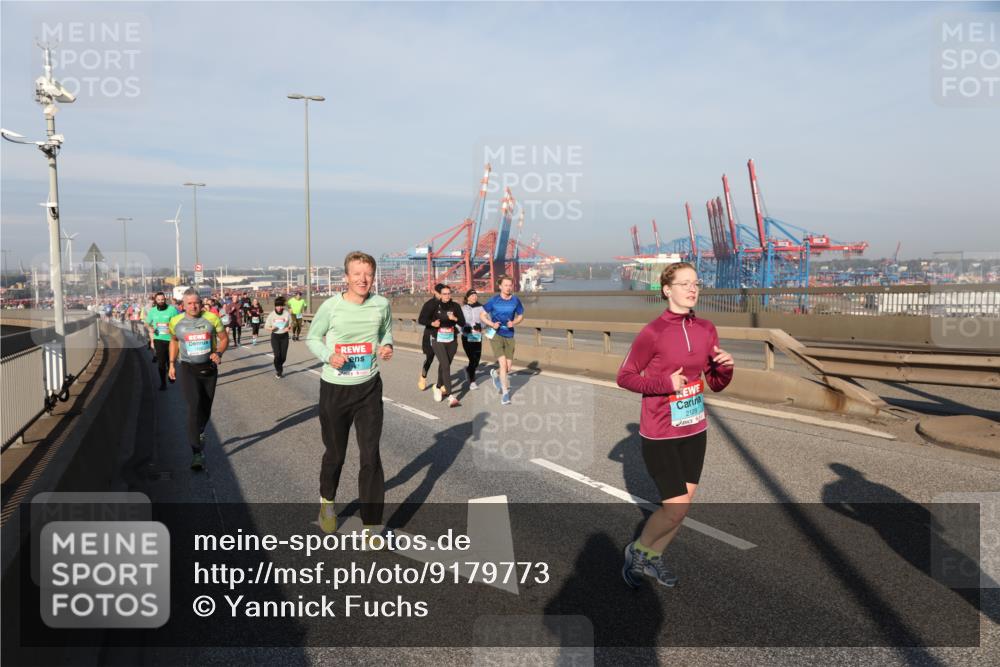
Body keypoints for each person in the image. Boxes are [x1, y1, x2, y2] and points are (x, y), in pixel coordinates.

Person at [617, 262, 734, 588]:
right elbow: (624, 377)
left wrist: (726, 367)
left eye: (695, 283)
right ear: (667, 290)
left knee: (681, 509)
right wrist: (664, 384)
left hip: (694, 428)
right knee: (676, 509)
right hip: (660, 432)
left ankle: (652, 558)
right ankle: (637, 551)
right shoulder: (653, 332)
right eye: (684, 284)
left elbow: (715, 381)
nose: (692, 289)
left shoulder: (707, 328)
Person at [306, 251, 393, 535]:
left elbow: (385, 333)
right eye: (356, 274)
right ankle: (327, 503)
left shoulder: (382, 304)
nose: (362, 279)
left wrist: (386, 346)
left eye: (367, 274)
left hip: (368, 389)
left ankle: (371, 525)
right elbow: (312, 337)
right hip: (335, 390)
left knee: (370, 456)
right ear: (346, 278)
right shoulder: (331, 307)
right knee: (336, 454)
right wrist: (329, 356)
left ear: (374, 277)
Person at [169, 288, 228, 471]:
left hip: (209, 369)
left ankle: (200, 430)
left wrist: (218, 352)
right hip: (188, 368)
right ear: (183, 305)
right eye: (189, 303)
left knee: (205, 408)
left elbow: (224, 338)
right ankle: (196, 453)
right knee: (194, 406)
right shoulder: (176, 322)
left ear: (201, 303)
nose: (193, 306)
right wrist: (171, 363)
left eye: (196, 302)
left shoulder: (212, 318)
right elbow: (174, 341)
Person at [480, 274, 524, 406]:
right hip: (495, 334)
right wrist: (491, 323)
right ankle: (505, 394)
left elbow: (521, 315)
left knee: (508, 367)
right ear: (500, 286)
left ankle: (495, 373)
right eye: (505, 285)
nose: (508, 287)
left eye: (510, 285)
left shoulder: (515, 300)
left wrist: (514, 322)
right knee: (503, 364)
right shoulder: (494, 300)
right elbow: (482, 314)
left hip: (509, 334)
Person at [427, 284, 465, 407]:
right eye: (444, 294)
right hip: (437, 338)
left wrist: (455, 318)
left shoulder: (455, 306)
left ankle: (438, 386)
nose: (447, 296)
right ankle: (450, 395)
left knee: (445, 364)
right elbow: (422, 319)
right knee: (445, 366)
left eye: (449, 293)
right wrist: (432, 323)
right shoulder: (434, 306)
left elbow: (463, 322)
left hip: (451, 339)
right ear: (440, 295)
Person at [145, 292, 179, 390]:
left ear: (165, 299)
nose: (161, 301)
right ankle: (163, 383)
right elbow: (147, 323)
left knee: (170, 361)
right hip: (158, 339)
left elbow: (178, 322)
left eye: (162, 300)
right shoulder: (152, 311)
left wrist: (172, 329)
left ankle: (170, 372)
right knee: (161, 362)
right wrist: (151, 328)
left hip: (171, 339)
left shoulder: (172, 310)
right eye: (159, 300)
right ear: (156, 300)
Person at [415, 283, 444, 391]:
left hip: (444, 335)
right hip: (430, 335)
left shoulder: (448, 304)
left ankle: (441, 384)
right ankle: (423, 377)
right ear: (435, 292)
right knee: (430, 359)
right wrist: (432, 323)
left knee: (444, 360)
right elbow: (421, 320)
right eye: (441, 293)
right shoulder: (429, 304)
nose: (443, 296)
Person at [460, 289, 485, 390]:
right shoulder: (463, 308)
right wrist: (463, 328)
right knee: (472, 358)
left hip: (477, 336)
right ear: (468, 297)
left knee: (477, 359)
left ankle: (468, 370)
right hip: (467, 336)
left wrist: (481, 325)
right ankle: (472, 381)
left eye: (476, 295)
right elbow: (459, 322)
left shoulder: (482, 307)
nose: (475, 297)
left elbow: (487, 320)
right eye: (472, 295)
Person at [265, 296, 292, 377]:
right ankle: (279, 370)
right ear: (275, 306)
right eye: (277, 306)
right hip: (275, 337)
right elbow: (266, 327)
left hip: (284, 337)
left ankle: (279, 366)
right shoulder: (271, 315)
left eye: (280, 306)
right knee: (277, 356)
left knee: (283, 357)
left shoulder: (286, 314)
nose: (279, 308)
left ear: (283, 306)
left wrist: (289, 328)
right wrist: (271, 328)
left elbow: (291, 324)